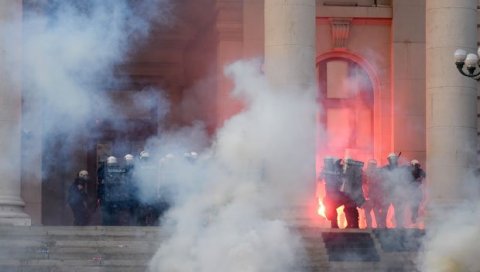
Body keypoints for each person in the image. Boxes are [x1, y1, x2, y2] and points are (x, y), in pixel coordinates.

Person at [319, 157, 358, 228]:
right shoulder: (327, 171)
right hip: (333, 197)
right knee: (330, 208)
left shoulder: (343, 170)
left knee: (350, 206)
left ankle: (353, 224)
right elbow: (319, 178)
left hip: (342, 195)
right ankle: (334, 224)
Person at [381, 152, 409, 228]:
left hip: (396, 193)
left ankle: (399, 225)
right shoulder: (385, 168)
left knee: (399, 210)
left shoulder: (399, 169)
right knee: (385, 210)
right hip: (388, 193)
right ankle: (383, 225)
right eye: (391, 159)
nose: (393, 161)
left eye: (394, 159)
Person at [363, 160, 387, 228]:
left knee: (368, 211)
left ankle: (369, 226)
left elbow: (364, 183)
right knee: (376, 211)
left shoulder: (366, 173)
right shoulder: (378, 173)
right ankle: (378, 225)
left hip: (370, 196)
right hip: (375, 196)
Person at [409, 159, 426, 224]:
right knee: (414, 206)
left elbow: (424, 176)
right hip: (414, 191)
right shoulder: (417, 171)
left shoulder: (418, 171)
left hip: (415, 191)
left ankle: (414, 218)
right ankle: (414, 218)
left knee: (415, 206)